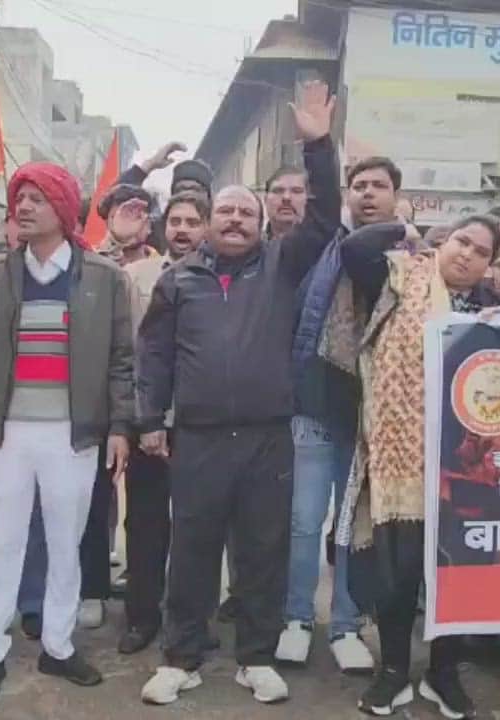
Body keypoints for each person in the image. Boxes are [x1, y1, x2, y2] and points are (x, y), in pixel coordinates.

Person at [137, 80, 339, 706]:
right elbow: (155, 354)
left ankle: (256, 656)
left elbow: (327, 216)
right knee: (192, 550)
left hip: (265, 438)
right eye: (224, 211)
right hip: (195, 437)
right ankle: (182, 656)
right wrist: (149, 418)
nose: (234, 219)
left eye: (245, 213)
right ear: (205, 222)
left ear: (262, 224)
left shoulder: (283, 265)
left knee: (261, 551)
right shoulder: (180, 280)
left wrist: (318, 147)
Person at [0, 161, 134, 702]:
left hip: (72, 435)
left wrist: (120, 427)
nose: (25, 207)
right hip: (8, 434)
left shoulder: (104, 278)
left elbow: (122, 361)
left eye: (37, 198)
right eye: (21, 198)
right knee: (3, 543)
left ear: (62, 208)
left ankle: (58, 647)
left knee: (67, 543)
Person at [336, 215, 500, 719]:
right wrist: (401, 225)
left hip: (467, 467)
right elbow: (353, 251)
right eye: (461, 241)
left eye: (480, 251)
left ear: (489, 265)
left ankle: (443, 674)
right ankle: (394, 672)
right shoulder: (403, 276)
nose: (467, 254)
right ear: (442, 242)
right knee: (399, 572)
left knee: (453, 578)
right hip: (400, 456)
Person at [277, 154, 402, 674]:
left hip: (371, 415)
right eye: (358, 185)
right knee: (304, 522)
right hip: (313, 405)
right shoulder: (320, 246)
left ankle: (347, 625)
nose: (367, 193)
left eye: (378, 185)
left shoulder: (411, 255)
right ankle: (297, 619)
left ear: (397, 194)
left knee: (353, 527)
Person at [117, 192, 209, 656]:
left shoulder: (220, 277)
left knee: (197, 529)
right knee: (146, 524)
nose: (183, 229)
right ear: (161, 226)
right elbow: (127, 350)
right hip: (149, 421)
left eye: (193, 221)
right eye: (175, 220)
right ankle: (141, 616)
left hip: (200, 425)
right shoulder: (134, 277)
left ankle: (191, 619)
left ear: (206, 228)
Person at [265, 166, 308, 241]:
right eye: (278, 191)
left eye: (296, 191)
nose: (286, 197)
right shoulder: (249, 247)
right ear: (265, 200)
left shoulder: (328, 248)